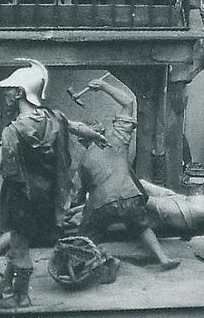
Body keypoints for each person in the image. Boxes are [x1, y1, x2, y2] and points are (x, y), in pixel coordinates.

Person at [0, 59, 103, 306]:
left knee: (19, 249)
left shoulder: (14, 131)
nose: (6, 93)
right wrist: (95, 134)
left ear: (19, 92)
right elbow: (77, 127)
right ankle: (8, 284)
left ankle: (21, 295)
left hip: (21, 199)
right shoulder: (55, 117)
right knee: (19, 242)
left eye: (9, 89)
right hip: (47, 197)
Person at [67, 78, 179, 270]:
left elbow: (79, 195)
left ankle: (80, 264)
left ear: (80, 140)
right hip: (131, 198)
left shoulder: (83, 163)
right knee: (141, 227)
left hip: (103, 204)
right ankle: (162, 258)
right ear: (102, 129)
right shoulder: (116, 137)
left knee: (86, 234)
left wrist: (73, 211)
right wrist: (103, 86)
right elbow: (128, 102)